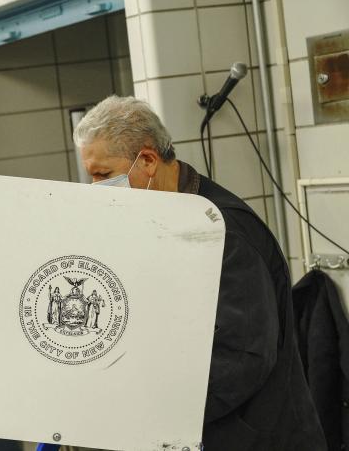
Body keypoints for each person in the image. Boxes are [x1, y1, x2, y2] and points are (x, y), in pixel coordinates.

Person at [73, 96, 326, 450]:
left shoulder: (224, 231)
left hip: (251, 438)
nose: (95, 189)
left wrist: (152, 410)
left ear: (147, 160)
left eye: (103, 175)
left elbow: (243, 356)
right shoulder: (156, 220)